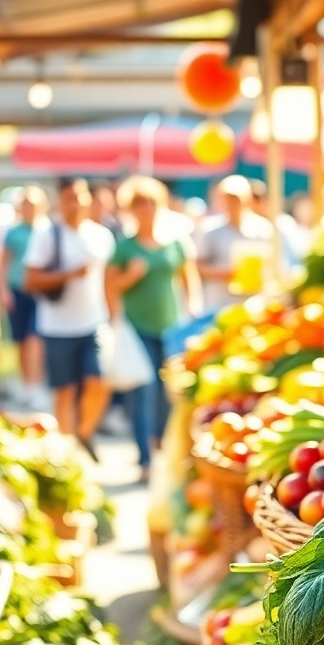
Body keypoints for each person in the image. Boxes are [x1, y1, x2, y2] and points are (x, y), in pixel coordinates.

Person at [107, 177, 200, 476]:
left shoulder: (174, 242)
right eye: (138, 204)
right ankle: (145, 457)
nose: (145, 209)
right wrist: (130, 278)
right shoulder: (125, 247)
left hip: (170, 327)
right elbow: (109, 286)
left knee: (168, 392)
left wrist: (192, 310)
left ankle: (162, 446)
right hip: (137, 328)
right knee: (142, 391)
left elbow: (188, 276)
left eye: (149, 203)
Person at [22, 179, 113, 461]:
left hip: (93, 322)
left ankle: (83, 432)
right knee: (65, 390)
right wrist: (68, 275)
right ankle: (67, 450)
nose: (74, 204)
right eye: (68, 198)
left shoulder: (101, 236)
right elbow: (30, 280)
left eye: (79, 197)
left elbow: (108, 280)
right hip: (58, 326)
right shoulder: (47, 235)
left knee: (98, 383)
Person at [193, 175, 291, 312]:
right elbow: (196, 266)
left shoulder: (264, 229)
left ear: (247, 199)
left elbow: (278, 266)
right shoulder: (209, 230)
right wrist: (224, 273)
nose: (231, 203)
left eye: (235, 199)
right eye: (227, 199)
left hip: (255, 304)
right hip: (218, 304)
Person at [0, 186, 48, 407]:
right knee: (21, 341)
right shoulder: (14, 232)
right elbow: (4, 263)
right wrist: (3, 290)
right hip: (17, 289)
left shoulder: (47, 230)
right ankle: (26, 383)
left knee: (34, 339)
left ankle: (35, 384)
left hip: (39, 292)